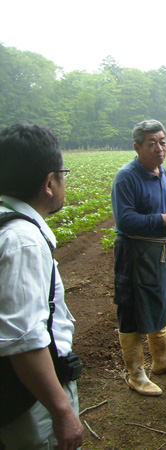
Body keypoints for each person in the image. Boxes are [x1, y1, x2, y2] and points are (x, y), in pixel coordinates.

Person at [0, 123, 83, 449]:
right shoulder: (23, 241)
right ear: (50, 182)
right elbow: (24, 339)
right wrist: (61, 411)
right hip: (29, 401)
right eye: (62, 172)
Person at [111, 119, 166, 397]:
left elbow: (158, 206)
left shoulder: (161, 171)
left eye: (163, 142)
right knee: (131, 308)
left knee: (158, 300)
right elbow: (125, 219)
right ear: (137, 147)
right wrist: (164, 219)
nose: (159, 148)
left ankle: (161, 360)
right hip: (133, 252)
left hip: (156, 252)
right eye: (151, 143)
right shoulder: (127, 176)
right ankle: (135, 373)